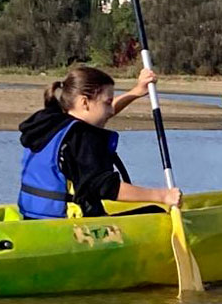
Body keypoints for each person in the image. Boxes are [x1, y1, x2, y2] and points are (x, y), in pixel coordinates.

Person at [17, 66, 181, 220]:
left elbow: (100, 113)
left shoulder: (49, 122)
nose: (111, 110)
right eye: (107, 102)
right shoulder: (83, 138)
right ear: (84, 102)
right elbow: (106, 187)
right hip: (71, 225)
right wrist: (162, 196)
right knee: (156, 213)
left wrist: (137, 91)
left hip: (33, 217)